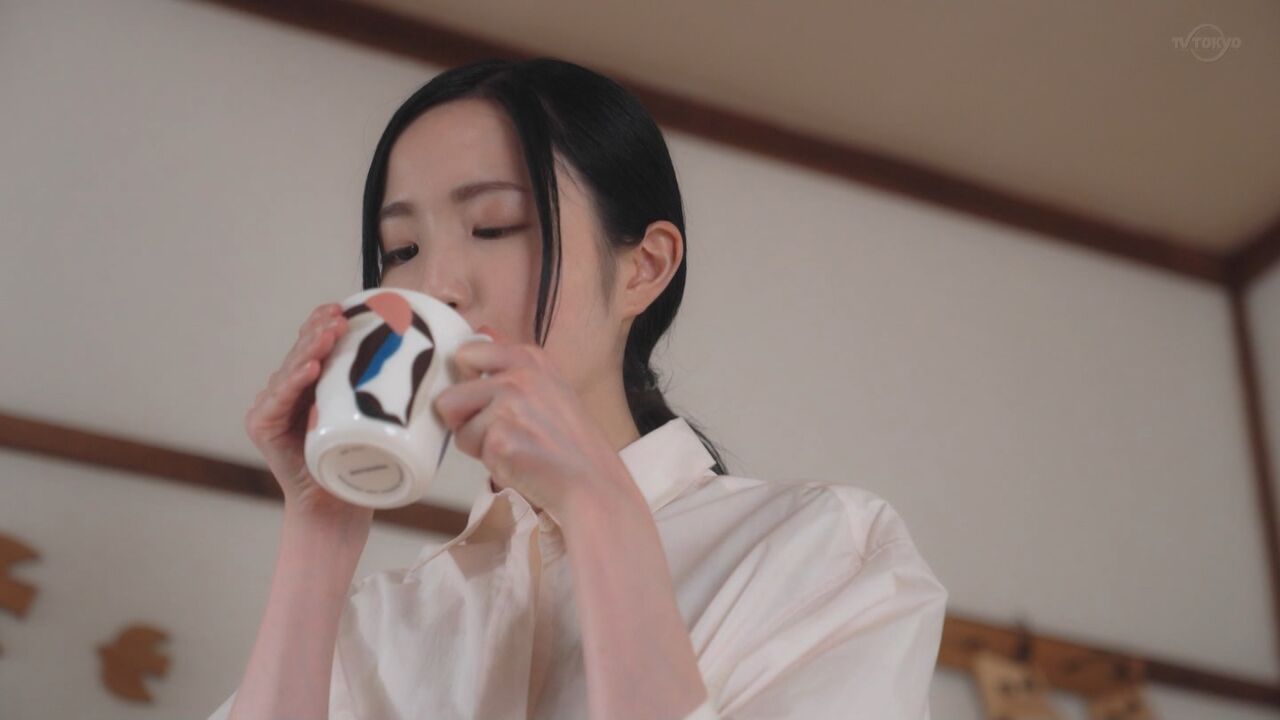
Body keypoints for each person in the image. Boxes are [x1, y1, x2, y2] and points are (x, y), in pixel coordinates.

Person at [209, 57, 947, 720]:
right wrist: (319, 533)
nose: (436, 285)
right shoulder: (379, 626)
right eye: (401, 249)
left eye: (495, 226)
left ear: (644, 268)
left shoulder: (820, 552)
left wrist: (597, 509)